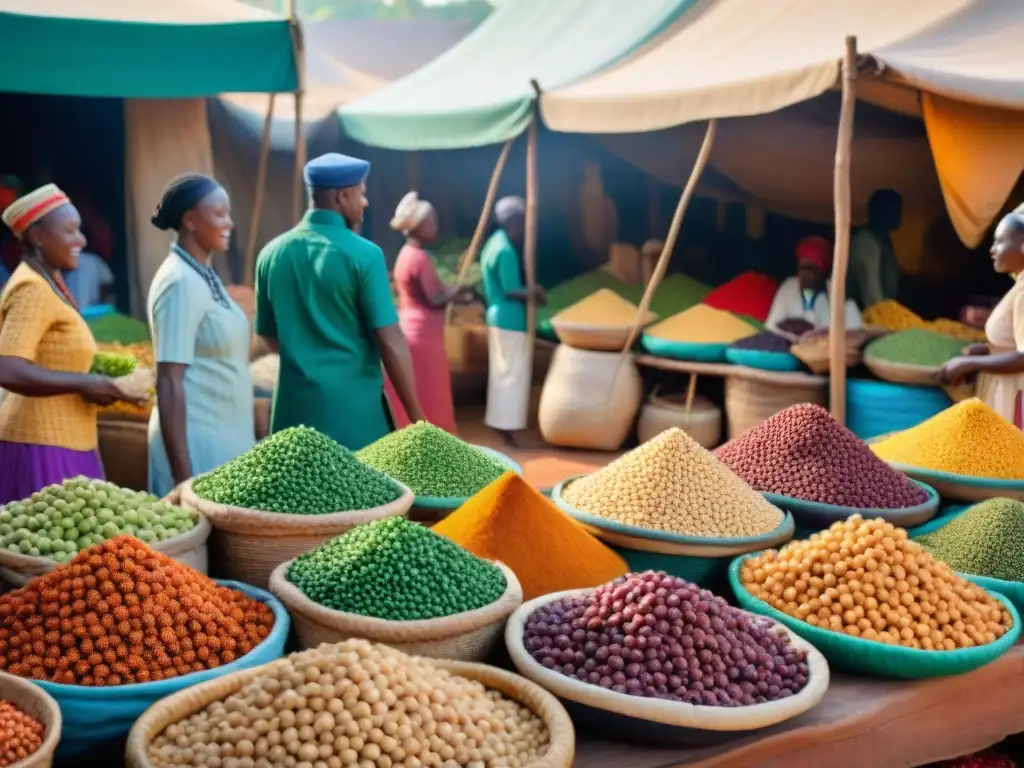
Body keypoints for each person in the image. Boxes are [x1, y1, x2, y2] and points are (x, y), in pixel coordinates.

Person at [255, 152, 424, 450]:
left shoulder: (271, 254)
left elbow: (268, 335)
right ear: (342, 196)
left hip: (293, 420)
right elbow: (390, 341)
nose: (365, 202)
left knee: (299, 495)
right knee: (363, 495)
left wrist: (307, 357)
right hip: (354, 418)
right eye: (361, 193)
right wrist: (417, 418)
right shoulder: (365, 255)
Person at [0, 184, 143, 503]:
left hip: (67, 437)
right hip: (40, 443)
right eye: (70, 231)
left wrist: (99, 385)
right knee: (51, 550)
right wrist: (86, 382)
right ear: (37, 236)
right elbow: (7, 367)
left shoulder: (50, 282)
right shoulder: (31, 289)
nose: (82, 240)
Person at [147, 174, 255, 498]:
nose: (230, 223)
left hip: (224, 439)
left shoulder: (204, 275)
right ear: (189, 220)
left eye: (229, 213)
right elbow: (168, 381)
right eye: (220, 214)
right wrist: (184, 480)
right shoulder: (179, 282)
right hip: (196, 448)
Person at [383, 192, 473, 434]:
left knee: (423, 390)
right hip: (422, 336)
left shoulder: (408, 254)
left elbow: (434, 292)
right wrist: (457, 289)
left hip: (417, 331)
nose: (436, 226)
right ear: (416, 226)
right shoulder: (418, 258)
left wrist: (459, 293)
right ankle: (432, 443)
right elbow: (433, 301)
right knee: (430, 392)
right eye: (430, 222)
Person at [938, 211, 1024, 428]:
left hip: (1016, 398)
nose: (992, 249)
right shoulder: (1018, 287)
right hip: (1005, 391)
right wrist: (987, 350)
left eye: (1000, 241)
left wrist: (969, 363)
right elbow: (1013, 342)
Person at [479, 196, 546, 446]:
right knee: (512, 375)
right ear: (515, 221)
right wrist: (534, 291)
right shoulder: (506, 249)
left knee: (501, 373)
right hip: (509, 318)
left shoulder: (493, 243)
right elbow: (510, 289)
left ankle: (499, 423)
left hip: (496, 315)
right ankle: (507, 428)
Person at [765, 235, 863, 335]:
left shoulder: (839, 293)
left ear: (824, 271)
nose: (807, 275)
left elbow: (854, 335)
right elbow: (771, 327)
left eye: (812, 268)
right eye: (803, 268)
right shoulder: (789, 287)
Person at [849, 189, 903, 310]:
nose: (899, 214)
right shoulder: (866, 241)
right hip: (863, 316)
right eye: (893, 209)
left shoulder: (884, 240)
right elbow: (871, 292)